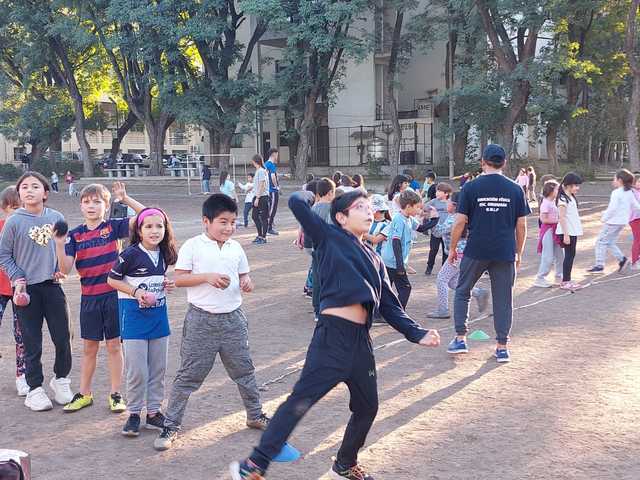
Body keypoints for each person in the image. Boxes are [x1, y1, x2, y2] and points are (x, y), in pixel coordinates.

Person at [229, 189, 440, 480]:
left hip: (360, 344)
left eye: (369, 207)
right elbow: (296, 202)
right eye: (359, 207)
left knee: (368, 407)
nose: (368, 211)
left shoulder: (375, 259)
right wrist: (314, 194)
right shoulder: (330, 237)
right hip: (332, 338)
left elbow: (391, 306)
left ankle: (344, 463)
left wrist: (417, 333)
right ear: (341, 217)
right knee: (301, 400)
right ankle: (255, 464)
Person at [153, 194, 270, 451]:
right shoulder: (193, 246)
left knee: (244, 370)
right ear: (206, 221)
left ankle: (255, 414)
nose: (229, 227)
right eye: (223, 222)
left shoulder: (235, 247)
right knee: (188, 376)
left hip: (234, 320)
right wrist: (206, 277)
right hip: (201, 320)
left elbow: (244, 275)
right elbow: (179, 279)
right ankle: (171, 425)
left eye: (232, 222)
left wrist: (247, 282)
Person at [53, 182, 145, 413]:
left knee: (114, 346)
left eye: (97, 202)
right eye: (86, 202)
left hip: (114, 296)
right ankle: (84, 394)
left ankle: (115, 394)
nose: (91, 206)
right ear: (81, 206)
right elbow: (64, 269)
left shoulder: (113, 228)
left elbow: (147, 216)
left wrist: (125, 199)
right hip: (89, 299)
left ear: (106, 206)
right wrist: (58, 244)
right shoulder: (74, 235)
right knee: (89, 348)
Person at [447, 144, 530, 363]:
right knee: (504, 298)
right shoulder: (515, 189)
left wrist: (453, 248)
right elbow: (521, 225)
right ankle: (502, 347)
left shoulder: (471, 187)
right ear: (504, 163)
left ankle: (460, 338)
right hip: (504, 250)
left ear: (483, 162)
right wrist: (518, 253)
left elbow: (460, 221)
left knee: (463, 290)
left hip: (477, 248)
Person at [0, 172, 73, 411]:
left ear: (45, 192)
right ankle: (35, 389)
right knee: (32, 342)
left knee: (63, 337)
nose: (29, 190)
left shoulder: (57, 217)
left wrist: (58, 267)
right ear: (19, 193)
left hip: (52, 287)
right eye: (24, 187)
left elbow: (63, 252)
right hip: (26, 290)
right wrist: (16, 277)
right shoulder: (14, 221)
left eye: (34, 186)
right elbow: (4, 255)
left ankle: (61, 379)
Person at [107, 207, 178, 436]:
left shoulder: (166, 254)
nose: (154, 230)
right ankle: (134, 413)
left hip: (159, 317)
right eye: (148, 226)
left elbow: (162, 279)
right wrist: (136, 292)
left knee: (158, 368)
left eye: (159, 226)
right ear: (139, 230)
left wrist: (168, 284)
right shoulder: (130, 254)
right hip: (133, 318)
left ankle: (154, 412)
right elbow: (112, 280)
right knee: (137, 370)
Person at [427, 192, 488, 319]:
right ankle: (478, 292)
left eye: (448, 202)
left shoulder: (454, 218)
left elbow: (438, 232)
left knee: (442, 279)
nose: (446, 204)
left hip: (457, 255)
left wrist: (434, 218)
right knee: (454, 282)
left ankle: (443, 310)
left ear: (454, 205)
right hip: (464, 255)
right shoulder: (464, 216)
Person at [381, 189, 431, 309]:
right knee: (405, 288)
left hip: (395, 261)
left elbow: (421, 228)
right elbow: (395, 241)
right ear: (408, 206)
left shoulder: (408, 218)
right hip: (393, 261)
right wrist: (399, 264)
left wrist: (435, 220)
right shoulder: (399, 219)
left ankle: (382, 314)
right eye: (417, 207)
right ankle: (396, 313)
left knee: (386, 289)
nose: (419, 211)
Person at [0, 187, 28, 396]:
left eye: (19, 208)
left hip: (20, 289)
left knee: (22, 335)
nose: (16, 212)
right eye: (12, 208)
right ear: (4, 208)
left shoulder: (27, 229)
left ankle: (22, 376)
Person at [587, 169, 640, 273]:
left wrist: (604, 218)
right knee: (609, 242)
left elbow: (612, 209)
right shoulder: (629, 192)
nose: (613, 181)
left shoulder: (617, 193)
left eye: (614, 179)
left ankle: (599, 265)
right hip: (621, 222)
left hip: (613, 222)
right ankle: (622, 259)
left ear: (620, 180)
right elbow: (636, 206)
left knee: (600, 242)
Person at [309, 178, 336, 319]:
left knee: (317, 278)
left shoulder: (313, 208)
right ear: (330, 192)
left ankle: (317, 309)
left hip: (316, 249)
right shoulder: (333, 208)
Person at [555, 173, 584, 291]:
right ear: (568, 185)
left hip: (573, 231)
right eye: (575, 185)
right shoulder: (562, 199)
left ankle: (567, 279)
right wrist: (566, 235)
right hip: (567, 232)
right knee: (569, 256)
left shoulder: (570, 197)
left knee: (571, 256)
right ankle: (565, 281)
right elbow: (561, 218)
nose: (578, 188)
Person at [533, 180, 564, 288]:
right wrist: (558, 221)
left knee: (560, 255)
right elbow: (543, 219)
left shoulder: (555, 202)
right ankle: (540, 278)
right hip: (548, 231)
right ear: (551, 190)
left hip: (556, 231)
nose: (559, 191)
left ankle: (559, 275)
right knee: (548, 256)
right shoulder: (545, 203)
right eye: (557, 189)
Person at [424, 182, 453, 275]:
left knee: (446, 251)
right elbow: (424, 208)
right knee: (433, 250)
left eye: (439, 191)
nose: (437, 193)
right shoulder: (433, 202)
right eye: (437, 191)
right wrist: (429, 212)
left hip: (447, 232)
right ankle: (429, 266)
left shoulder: (451, 202)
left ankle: (444, 269)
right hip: (435, 231)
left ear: (446, 193)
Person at [251, 155, 270, 245]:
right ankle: (259, 235)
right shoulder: (259, 171)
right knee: (254, 216)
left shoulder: (261, 171)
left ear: (255, 161)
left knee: (263, 218)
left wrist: (257, 198)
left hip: (262, 196)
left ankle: (263, 237)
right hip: (257, 195)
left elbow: (262, 185)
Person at [265, 148, 280, 235]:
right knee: (272, 209)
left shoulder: (266, 164)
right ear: (273, 154)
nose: (277, 157)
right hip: (272, 190)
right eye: (277, 154)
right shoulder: (271, 165)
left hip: (268, 190)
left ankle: (268, 226)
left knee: (269, 208)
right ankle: (268, 228)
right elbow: (273, 177)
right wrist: (276, 186)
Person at [630, 174, 640, 270]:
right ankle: (634, 261)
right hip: (635, 219)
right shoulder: (631, 192)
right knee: (637, 240)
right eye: (639, 182)